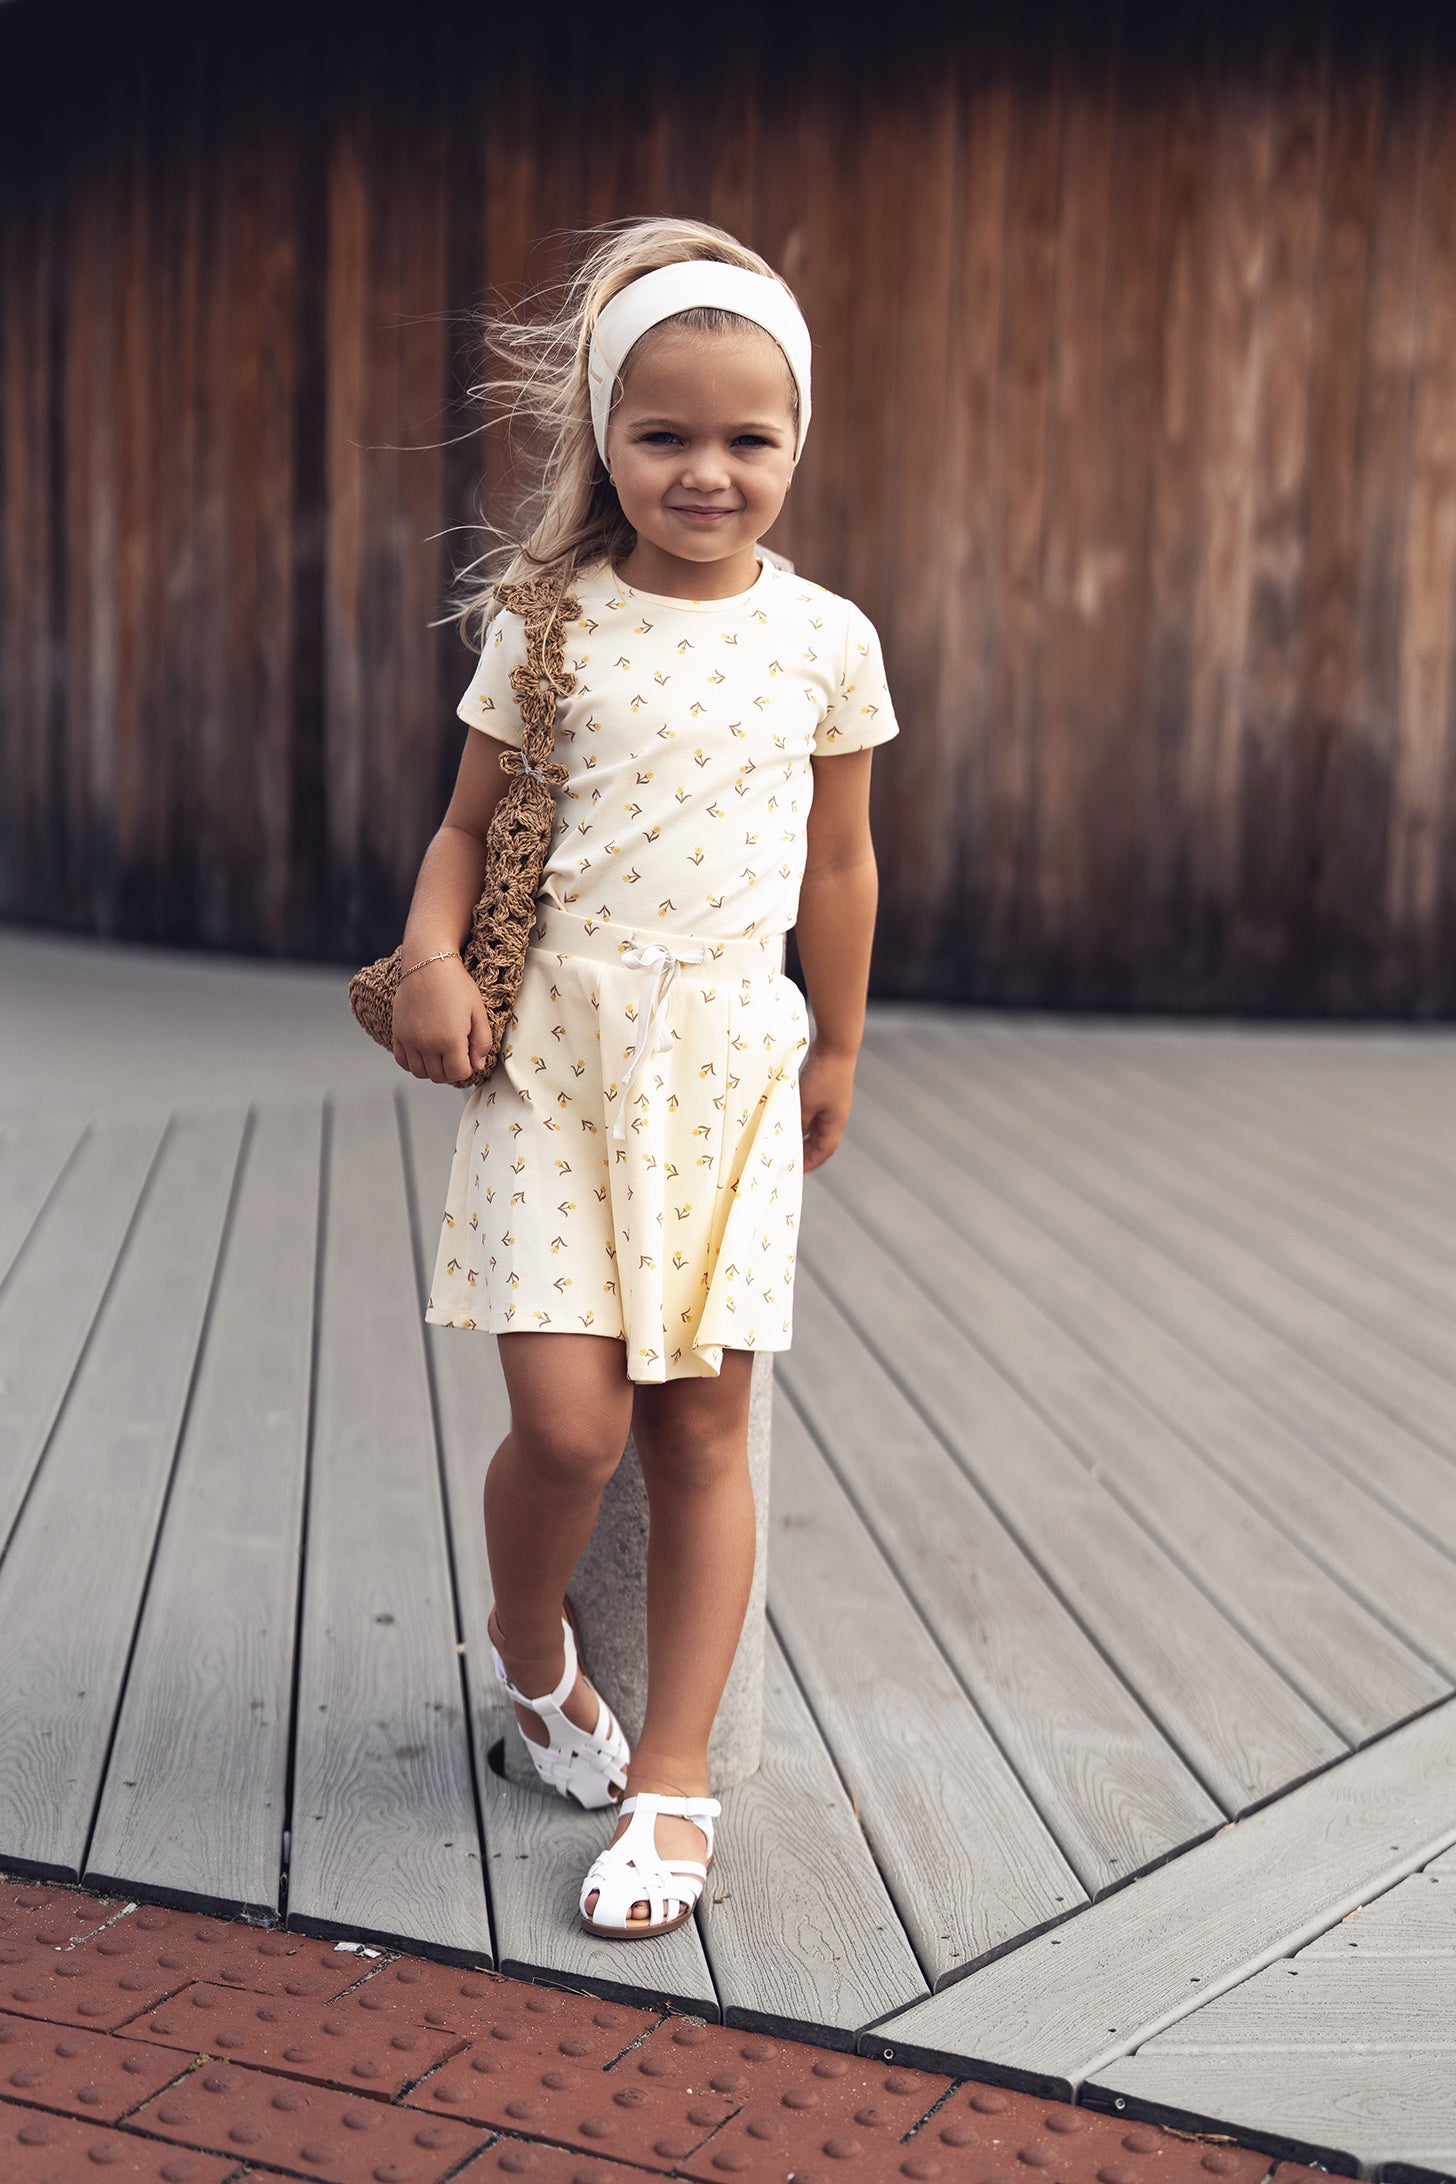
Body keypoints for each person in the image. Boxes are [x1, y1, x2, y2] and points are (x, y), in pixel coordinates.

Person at [390, 215, 899, 1940]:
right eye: (664, 433)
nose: (707, 471)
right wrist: (439, 958)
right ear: (607, 437)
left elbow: (840, 868)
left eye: (747, 438)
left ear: (796, 443)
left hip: (733, 1072)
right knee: (570, 1421)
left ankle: (674, 1780)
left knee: (702, 1428)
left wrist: (835, 1036)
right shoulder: (545, 625)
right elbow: (464, 832)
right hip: (556, 1059)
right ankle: (534, 1656)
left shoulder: (828, 638)